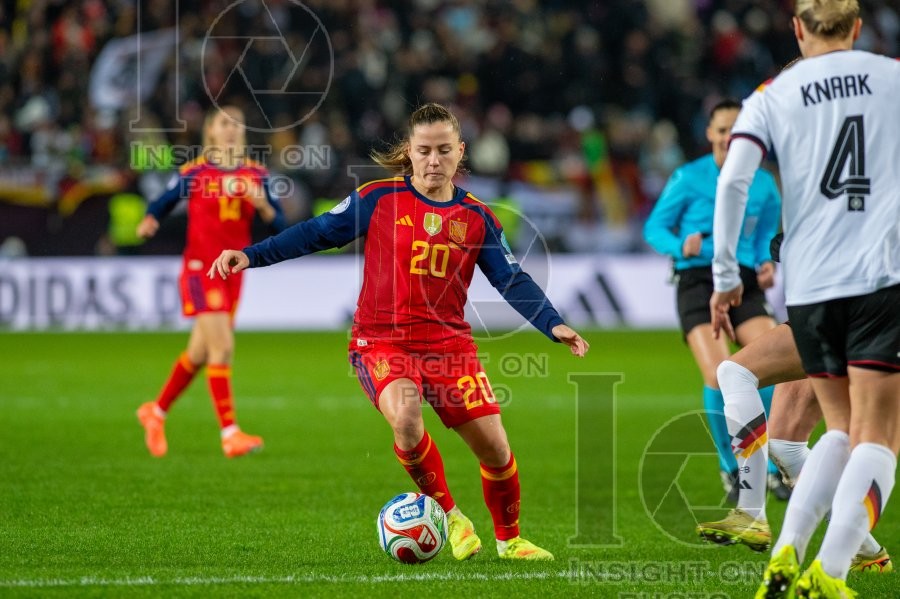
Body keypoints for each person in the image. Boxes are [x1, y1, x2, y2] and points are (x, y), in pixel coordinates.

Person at [209, 103, 589, 561]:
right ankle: (453, 518)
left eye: (444, 150)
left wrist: (554, 323)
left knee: (496, 448)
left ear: (460, 152)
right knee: (406, 419)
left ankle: (510, 541)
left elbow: (510, 278)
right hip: (381, 341)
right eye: (424, 150)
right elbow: (313, 233)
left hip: (450, 345)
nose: (434, 161)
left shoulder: (477, 217)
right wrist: (250, 255)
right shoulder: (377, 198)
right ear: (409, 151)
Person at [710, 0, 900, 595]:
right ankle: (833, 569)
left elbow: (735, 179)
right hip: (880, 275)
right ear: (859, 27)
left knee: (837, 430)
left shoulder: (775, 91)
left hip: (811, 286)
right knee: (875, 434)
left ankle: (786, 549)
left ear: (797, 27)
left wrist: (724, 276)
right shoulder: (891, 77)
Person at [643, 99, 787, 505]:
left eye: (736, 130)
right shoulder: (688, 177)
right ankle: (731, 468)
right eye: (722, 130)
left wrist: (763, 262)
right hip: (696, 278)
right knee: (719, 373)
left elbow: (762, 237)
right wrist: (679, 244)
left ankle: (770, 467)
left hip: (743, 280)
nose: (729, 137)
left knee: (774, 365)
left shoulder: (763, 184)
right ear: (710, 134)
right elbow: (653, 227)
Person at [135, 105, 286, 458]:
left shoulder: (257, 174)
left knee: (200, 352)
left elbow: (280, 225)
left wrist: (263, 207)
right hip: (202, 270)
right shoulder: (196, 171)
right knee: (223, 347)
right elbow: (163, 200)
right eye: (223, 123)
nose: (231, 129)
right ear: (211, 132)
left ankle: (154, 412)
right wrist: (149, 219)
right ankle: (229, 433)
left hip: (234, 274)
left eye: (237, 123)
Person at [696, 321, 891, 572]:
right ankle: (868, 553)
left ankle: (751, 513)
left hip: (847, 309)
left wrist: (728, 282)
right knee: (784, 445)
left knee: (734, 372)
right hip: (829, 308)